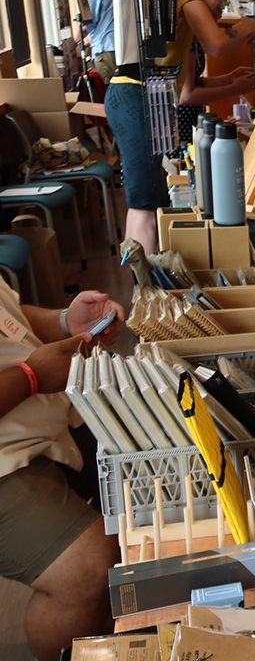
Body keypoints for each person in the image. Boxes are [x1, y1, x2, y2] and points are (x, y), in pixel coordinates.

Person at [106, 0, 255, 254]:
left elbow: (187, 80)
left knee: (148, 200)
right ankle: (148, 295)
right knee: (145, 203)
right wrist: (246, 28)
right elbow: (215, 44)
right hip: (136, 94)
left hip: (137, 93)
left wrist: (230, 79)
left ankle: (146, 288)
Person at [0, 281, 125, 660]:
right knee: (86, 568)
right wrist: (30, 377)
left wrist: (63, 321)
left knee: (146, 466)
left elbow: (10, 316)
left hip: (40, 414)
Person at [175, 0, 255, 150]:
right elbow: (187, 96)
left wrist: (228, 78)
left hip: (188, 123)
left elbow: (195, 83)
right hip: (178, 128)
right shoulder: (189, 38)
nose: (223, 2)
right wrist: (234, 89)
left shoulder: (194, 39)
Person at [79, 0, 116, 85]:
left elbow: (87, 19)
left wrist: (81, 36)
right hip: (115, 45)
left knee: (113, 94)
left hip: (105, 48)